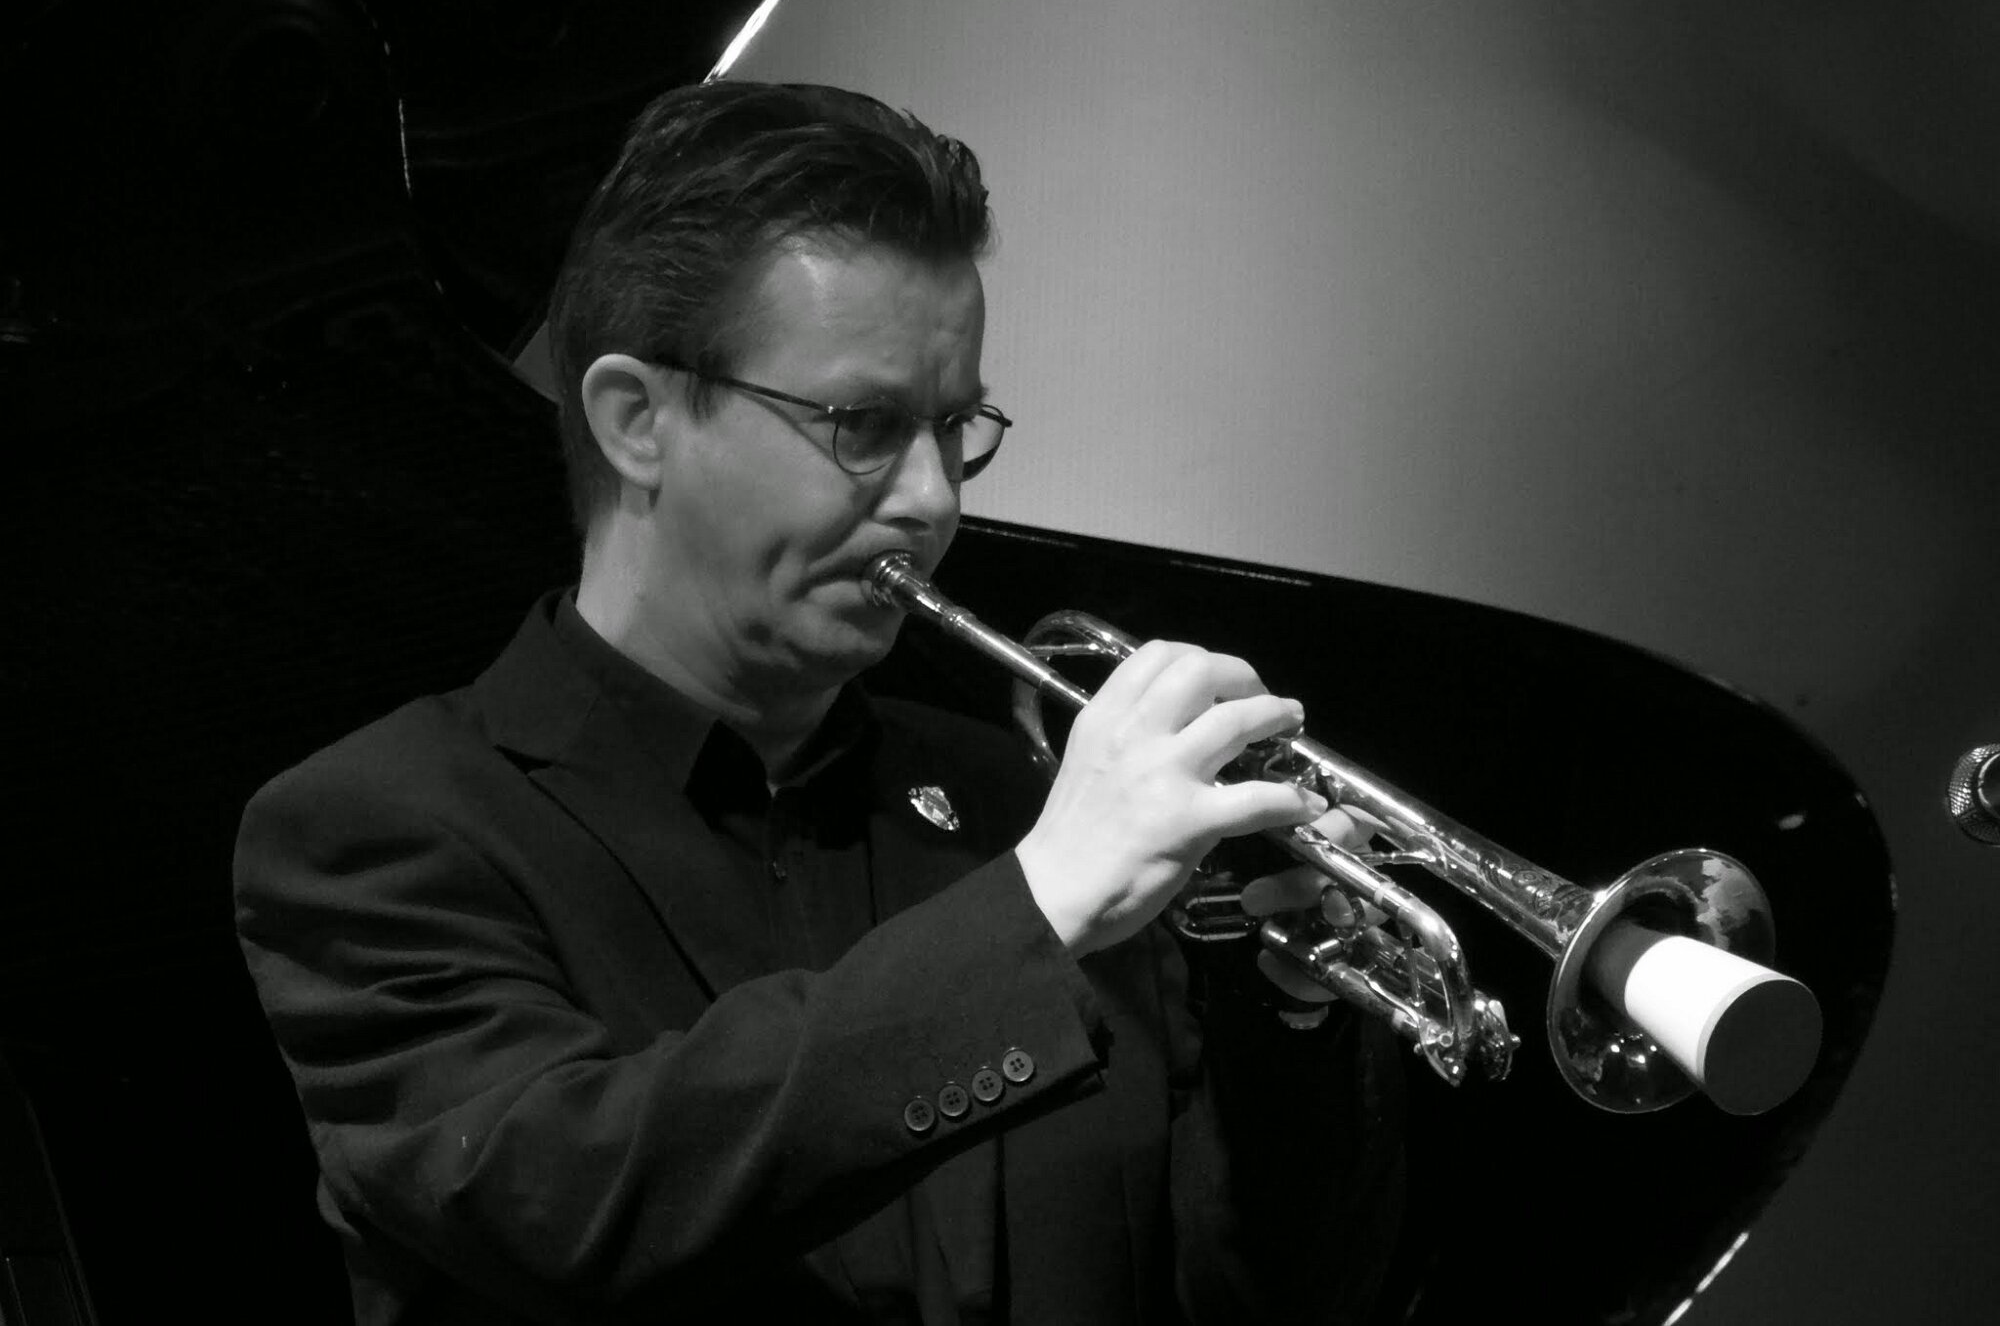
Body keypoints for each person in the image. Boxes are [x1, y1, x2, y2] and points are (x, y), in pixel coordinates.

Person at [234, 80, 1403, 1326]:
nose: (932, 500)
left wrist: (1285, 1012)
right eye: (864, 424)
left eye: (953, 428)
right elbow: (566, 1203)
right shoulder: (376, 832)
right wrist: (1035, 906)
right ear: (636, 421)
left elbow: (1262, 1298)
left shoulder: (1020, 806)